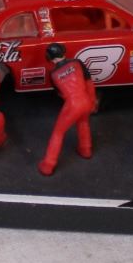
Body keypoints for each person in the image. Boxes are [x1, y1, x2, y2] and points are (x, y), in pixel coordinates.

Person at [38, 43, 97, 176]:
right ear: (63, 52)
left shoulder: (53, 74)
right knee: (83, 123)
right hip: (86, 100)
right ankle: (86, 150)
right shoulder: (77, 62)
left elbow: (60, 93)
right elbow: (89, 83)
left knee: (58, 133)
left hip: (72, 104)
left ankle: (48, 165)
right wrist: (93, 102)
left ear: (49, 57)